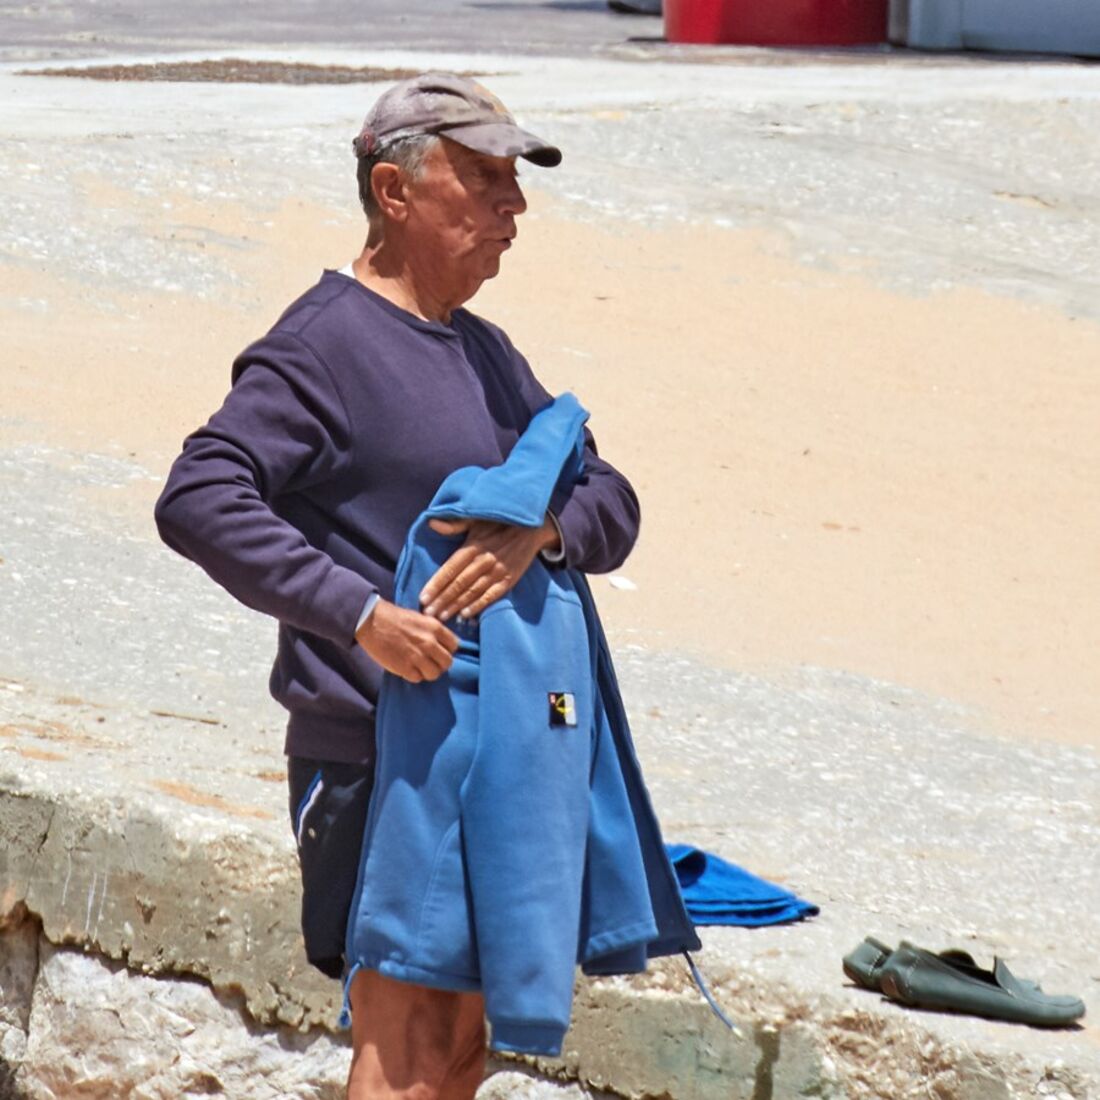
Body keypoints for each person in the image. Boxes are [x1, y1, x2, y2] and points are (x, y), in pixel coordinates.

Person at [154, 72, 641, 1100]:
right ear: (393, 191)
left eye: (515, 182)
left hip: (496, 752)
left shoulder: (486, 355)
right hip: (383, 756)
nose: (514, 207)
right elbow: (199, 493)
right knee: (408, 1047)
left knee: (461, 1047)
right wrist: (358, 613)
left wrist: (539, 535)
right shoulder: (323, 343)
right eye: (484, 179)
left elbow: (609, 496)